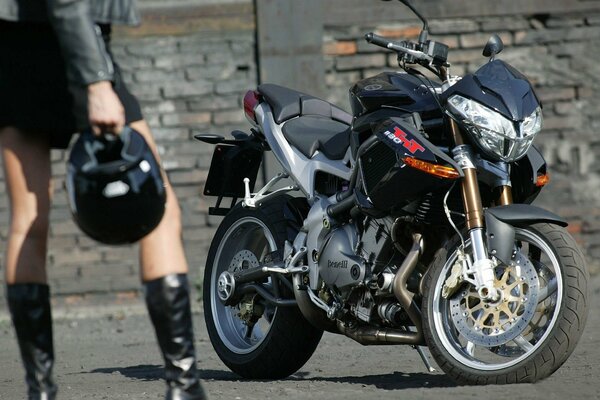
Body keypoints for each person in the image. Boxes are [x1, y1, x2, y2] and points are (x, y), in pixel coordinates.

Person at [0, 1, 206, 399]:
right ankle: (183, 386)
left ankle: (40, 392)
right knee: (160, 211)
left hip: (14, 40)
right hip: (76, 42)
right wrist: (96, 83)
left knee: (28, 217)